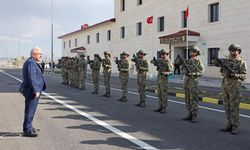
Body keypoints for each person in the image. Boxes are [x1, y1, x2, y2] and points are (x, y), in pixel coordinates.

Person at [214, 44, 247, 135]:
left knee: (234, 108)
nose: (233, 52)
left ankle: (235, 126)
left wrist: (235, 75)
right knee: (227, 107)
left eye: (235, 50)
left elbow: (244, 76)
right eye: (231, 50)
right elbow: (216, 63)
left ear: (238, 51)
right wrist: (218, 61)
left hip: (235, 87)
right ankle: (229, 125)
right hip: (225, 86)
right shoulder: (226, 61)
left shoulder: (241, 62)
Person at [19, 47, 46, 137]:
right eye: (39, 54)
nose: (41, 55)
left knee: (31, 110)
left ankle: (29, 126)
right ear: (34, 54)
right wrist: (36, 90)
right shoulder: (31, 63)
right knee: (30, 110)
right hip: (31, 91)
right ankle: (27, 130)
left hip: (31, 90)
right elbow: (32, 77)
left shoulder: (32, 62)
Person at [181, 46, 204, 123]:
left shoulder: (198, 62)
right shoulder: (187, 61)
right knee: (187, 99)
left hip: (193, 82)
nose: (190, 52)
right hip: (186, 82)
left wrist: (193, 73)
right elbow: (183, 70)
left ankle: (194, 115)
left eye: (192, 51)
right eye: (190, 51)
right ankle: (189, 113)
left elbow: (200, 73)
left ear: (196, 53)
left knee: (193, 99)